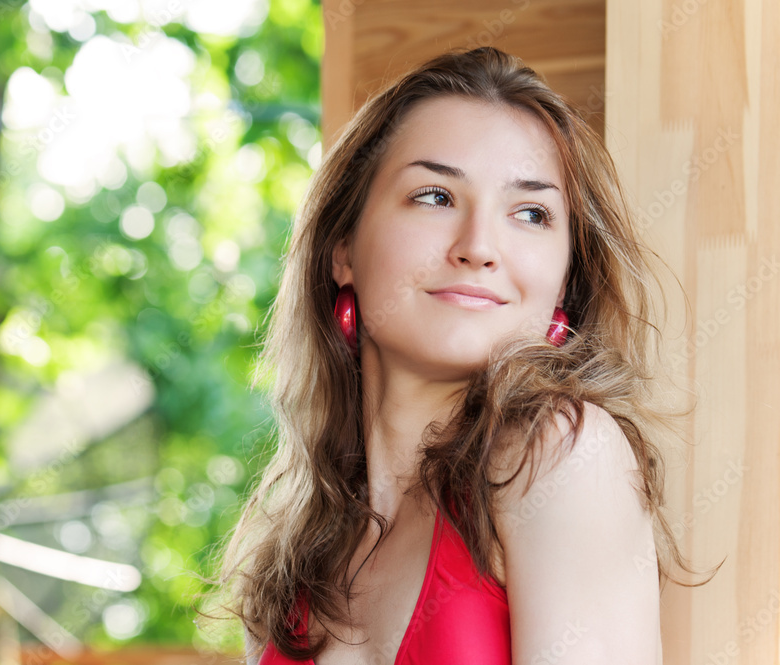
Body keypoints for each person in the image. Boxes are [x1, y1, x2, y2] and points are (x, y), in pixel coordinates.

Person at [209, 47, 707, 665]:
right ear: (343, 247)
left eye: (530, 213)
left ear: (563, 279)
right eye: (436, 197)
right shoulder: (290, 550)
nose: (479, 247)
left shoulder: (558, 455)